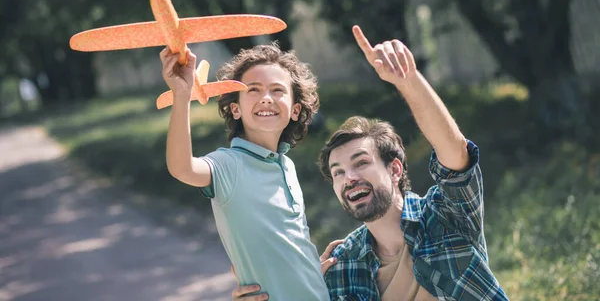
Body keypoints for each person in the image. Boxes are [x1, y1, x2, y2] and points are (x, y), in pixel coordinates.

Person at [232, 26, 508, 300]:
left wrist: (408, 80)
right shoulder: (343, 265)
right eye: (337, 172)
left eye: (360, 163)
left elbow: (454, 150)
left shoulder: (445, 217)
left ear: (395, 169)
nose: (348, 177)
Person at [159, 43, 329, 301]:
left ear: (295, 110)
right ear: (235, 109)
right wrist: (181, 95)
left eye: (277, 90)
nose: (266, 97)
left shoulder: (287, 165)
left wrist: (310, 267)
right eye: (253, 90)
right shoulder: (228, 165)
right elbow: (182, 167)